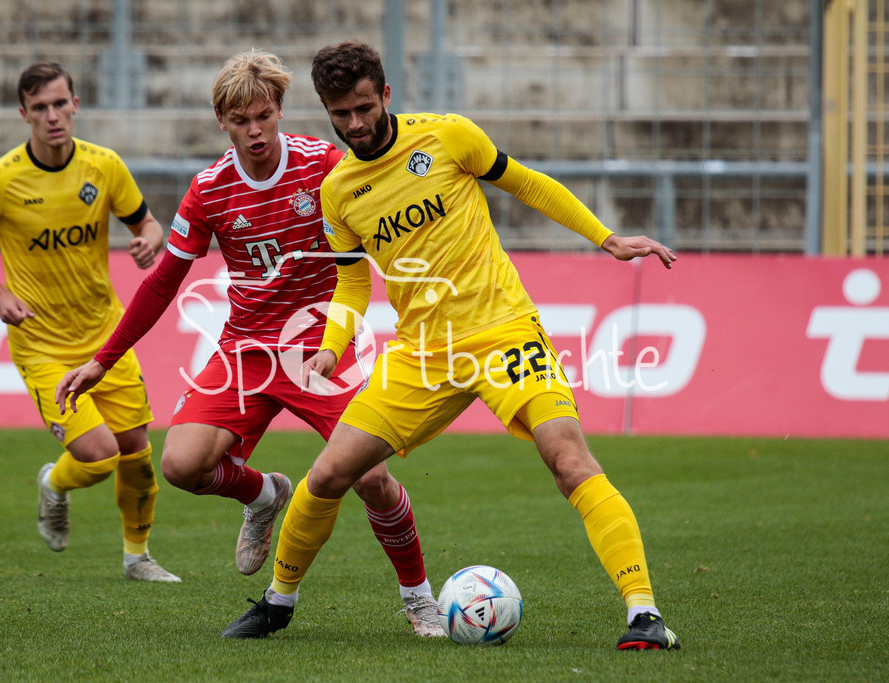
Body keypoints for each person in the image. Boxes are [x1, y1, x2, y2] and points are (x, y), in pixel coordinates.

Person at [221, 40, 682, 651]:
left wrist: (605, 238)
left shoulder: (447, 137)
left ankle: (645, 615)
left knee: (570, 462)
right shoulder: (339, 190)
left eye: (363, 107)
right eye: (340, 114)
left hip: (502, 332)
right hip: (420, 354)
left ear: (385, 95)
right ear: (327, 112)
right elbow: (352, 279)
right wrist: (332, 344)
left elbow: (528, 183)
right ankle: (279, 602)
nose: (355, 124)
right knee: (330, 473)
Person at [54, 50, 445, 636]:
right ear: (222, 121)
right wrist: (102, 361)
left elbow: (375, 231)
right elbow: (164, 281)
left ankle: (419, 600)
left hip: (319, 345)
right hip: (247, 348)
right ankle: (263, 494)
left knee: (370, 478)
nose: (255, 130)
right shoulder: (209, 189)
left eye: (264, 116)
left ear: (280, 110)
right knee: (183, 464)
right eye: (241, 121)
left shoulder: (323, 165)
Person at [0, 62, 179, 582]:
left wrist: (150, 237)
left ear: (75, 104)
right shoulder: (0, 180)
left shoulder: (103, 166)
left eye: (60, 104)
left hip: (104, 335)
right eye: (41, 108)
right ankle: (55, 483)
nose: (53, 116)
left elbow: (146, 219)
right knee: (97, 456)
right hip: (42, 343)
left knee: (137, 448)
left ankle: (137, 557)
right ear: (23, 114)